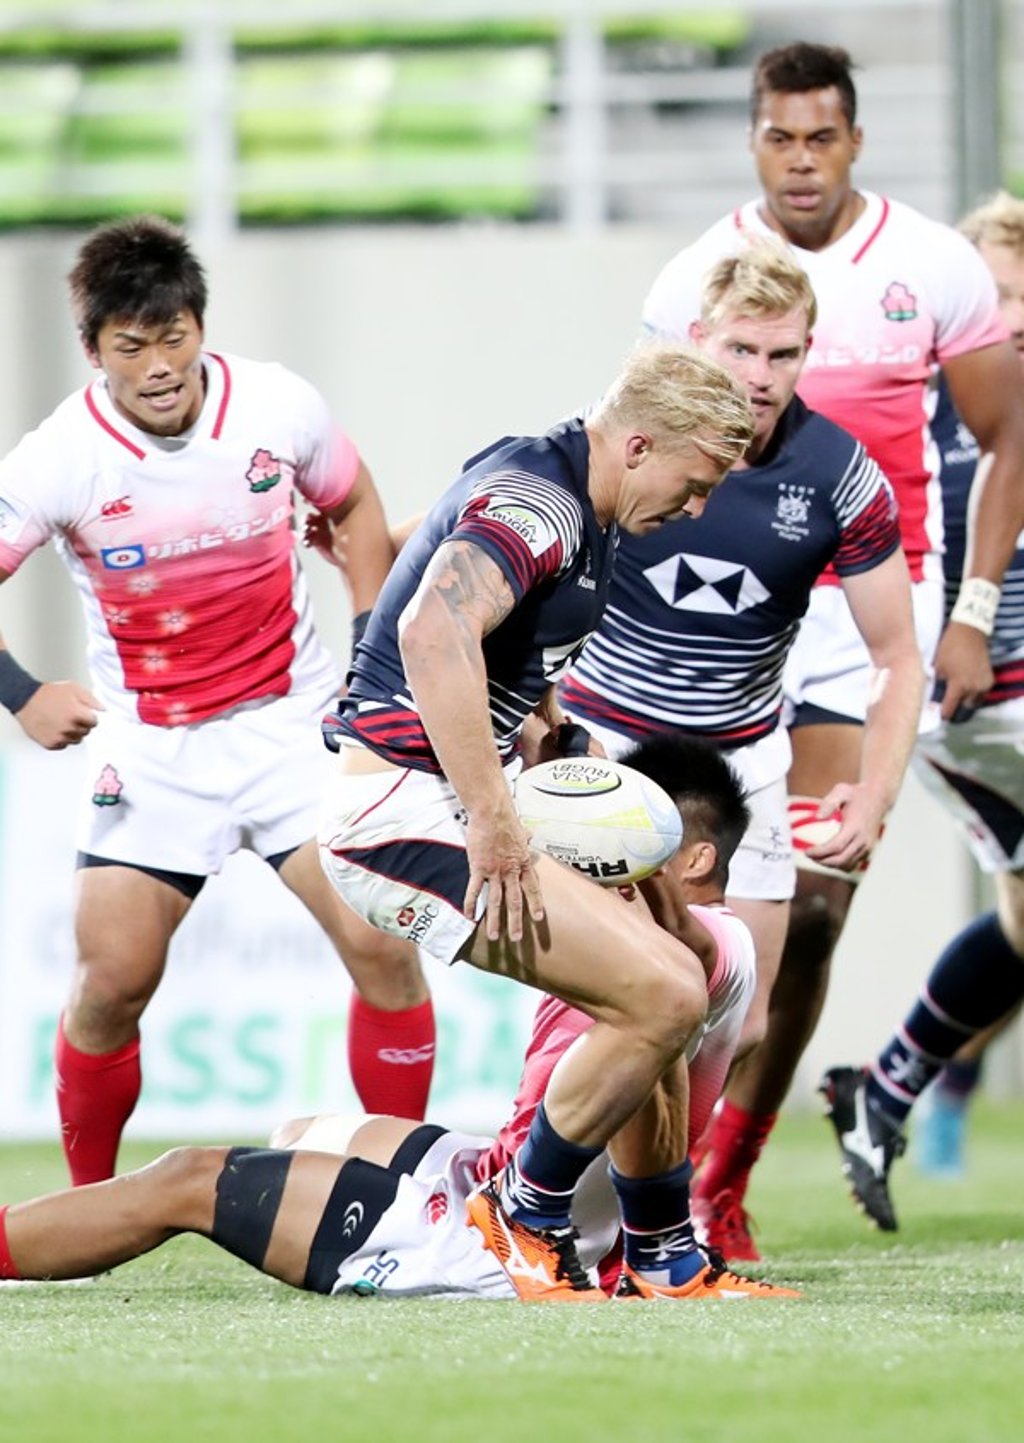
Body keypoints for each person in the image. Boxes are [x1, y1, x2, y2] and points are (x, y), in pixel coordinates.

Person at [638, 42, 1024, 1258]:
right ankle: (630, 1161)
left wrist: (966, 610)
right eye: (777, 137)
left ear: (853, 140)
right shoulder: (689, 275)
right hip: (729, 607)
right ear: (753, 141)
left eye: (820, 137)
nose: (799, 159)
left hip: (870, 610)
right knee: (678, 895)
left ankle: (722, 1186)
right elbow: (641, 445)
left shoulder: (933, 265)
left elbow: (1004, 438)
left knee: (808, 911)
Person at [0, 734, 798, 1300]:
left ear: (691, 859)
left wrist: (637, 876)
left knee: (186, 1178)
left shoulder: (709, 945)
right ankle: (577, 1229)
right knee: (297, 1131)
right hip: (489, 1166)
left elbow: (685, 979)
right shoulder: (630, 945)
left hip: (486, 1235)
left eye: (622, 837)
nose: (596, 857)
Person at [0, 215, 436, 1187]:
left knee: (383, 946)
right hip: (154, 749)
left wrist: (369, 648)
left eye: (173, 338)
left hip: (293, 727)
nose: (157, 366)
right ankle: (91, 1206)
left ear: (200, 326)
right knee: (111, 986)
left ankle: (397, 1189)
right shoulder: (58, 458)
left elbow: (356, 502)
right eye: (131, 346)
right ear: (93, 350)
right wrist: (21, 695)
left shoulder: (276, 406)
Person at [316, 341, 756, 1302]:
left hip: (445, 789)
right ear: (639, 444)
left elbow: (493, 638)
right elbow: (434, 630)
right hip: (399, 806)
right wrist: (494, 820)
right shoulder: (545, 502)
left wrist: (548, 730)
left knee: (668, 979)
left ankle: (660, 1256)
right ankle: (521, 1215)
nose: (697, 506)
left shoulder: (572, 493)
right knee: (665, 995)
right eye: (697, 480)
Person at [562, 236, 925, 1257]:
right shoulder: (623, 435)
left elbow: (897, 655)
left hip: (744, 754)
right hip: (609, 748)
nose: (758, 378)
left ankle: (660, 1208)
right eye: (739, 351)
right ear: (695, 341)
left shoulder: (838, 475)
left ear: (808, 353)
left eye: (781, 355)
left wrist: (871, 794)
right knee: (627, 998)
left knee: (741, 1020)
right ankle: (571, 1213)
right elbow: (515, 526)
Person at [820, 190, 1024, 1229]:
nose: (1012, 323)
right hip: (978, 697)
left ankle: (888, 1085)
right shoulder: (920, 413)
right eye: (997, 303)